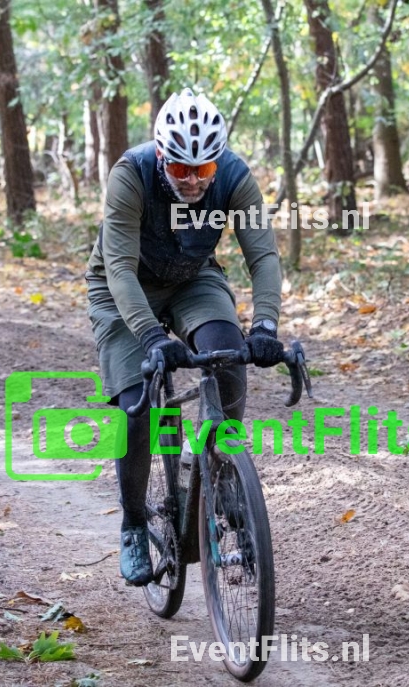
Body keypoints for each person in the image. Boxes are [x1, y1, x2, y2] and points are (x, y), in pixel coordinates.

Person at [85, 88, 284, 585]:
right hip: (123, 287)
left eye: (203, 170)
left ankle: (218, 465)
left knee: (228, 356)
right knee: (137, 407)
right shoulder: (130, 175)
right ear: (161, 156)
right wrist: (151, 336)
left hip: (193, 278)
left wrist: (265, 325)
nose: (193, 181)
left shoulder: (234, 177)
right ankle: (134, 524)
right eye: (180, 169)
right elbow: (119, 268)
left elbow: (262, 255)